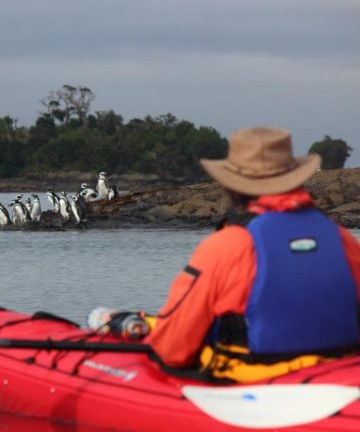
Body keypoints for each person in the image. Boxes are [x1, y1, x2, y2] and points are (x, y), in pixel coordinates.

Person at [147, 127, 360, 383]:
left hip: (258, 384)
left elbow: (172, 348)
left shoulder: (227, 245)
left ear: (233, 185)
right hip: (341, 377)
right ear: (294, 177)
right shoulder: (341, 237)